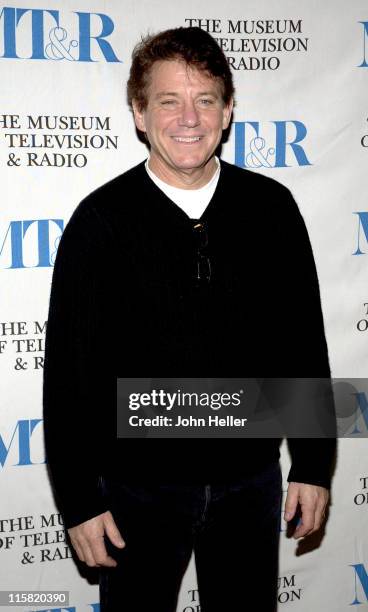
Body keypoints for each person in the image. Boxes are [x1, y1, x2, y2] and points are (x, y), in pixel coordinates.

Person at [43, 26, 336, 612]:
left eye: (205, 99)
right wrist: (78, 501)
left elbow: (300, 341)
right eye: (168, 100)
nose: (189, 118)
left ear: (228, 111)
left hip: (251, 485)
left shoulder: (271, 209)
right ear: (139, 113)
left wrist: (313, 463)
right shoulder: (100, 222)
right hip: (134, 494)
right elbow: (69, 372)